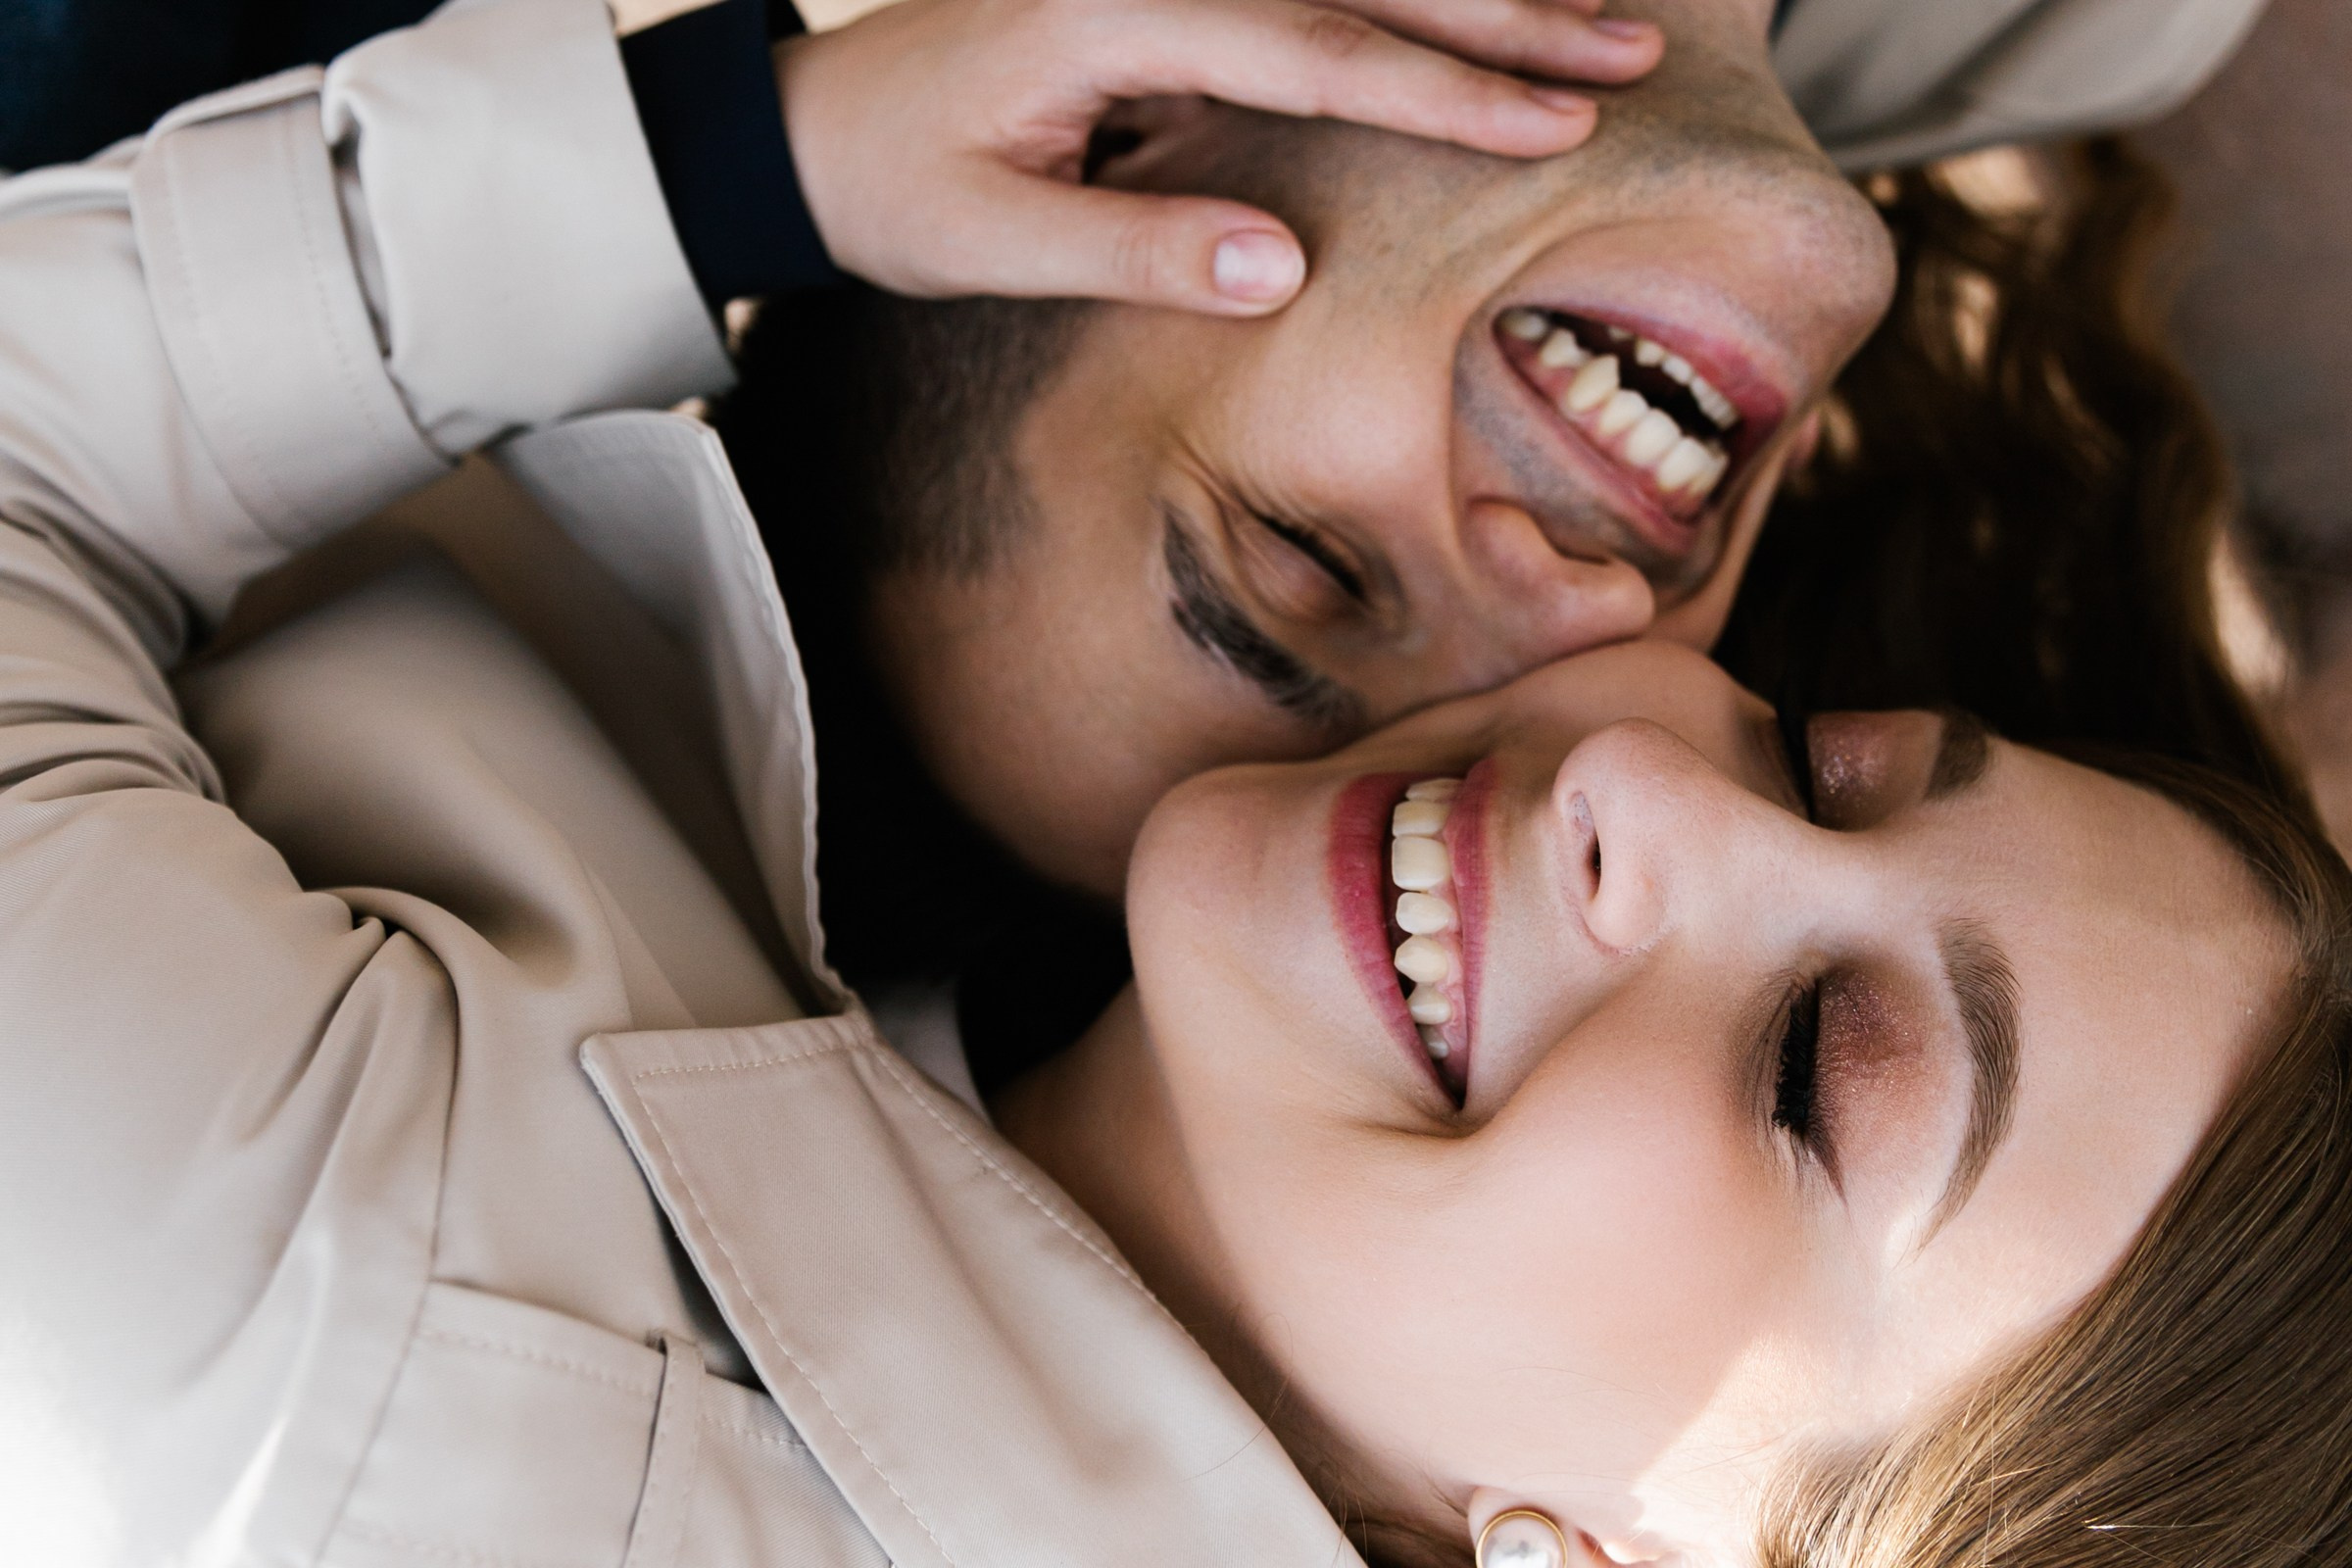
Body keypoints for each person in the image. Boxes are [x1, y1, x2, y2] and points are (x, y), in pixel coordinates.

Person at [3, 3, 2339, 1568]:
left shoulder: (379, 1406)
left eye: (1823, 1074)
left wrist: (743, 157)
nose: (1652, 755)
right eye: (1831, 766)